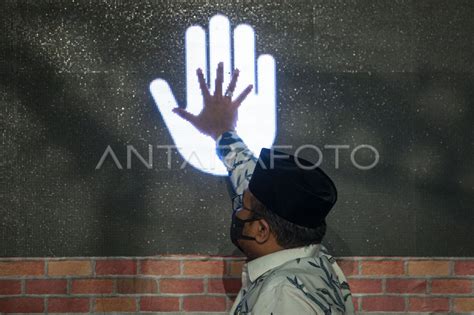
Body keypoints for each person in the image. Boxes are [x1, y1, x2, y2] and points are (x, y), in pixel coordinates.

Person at [172, 62, 355, 314]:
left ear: (261, 230)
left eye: (243, 208)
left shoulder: (283, 297)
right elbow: (248, 177)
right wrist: (223, 131)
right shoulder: (313, 260)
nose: (237, 213)